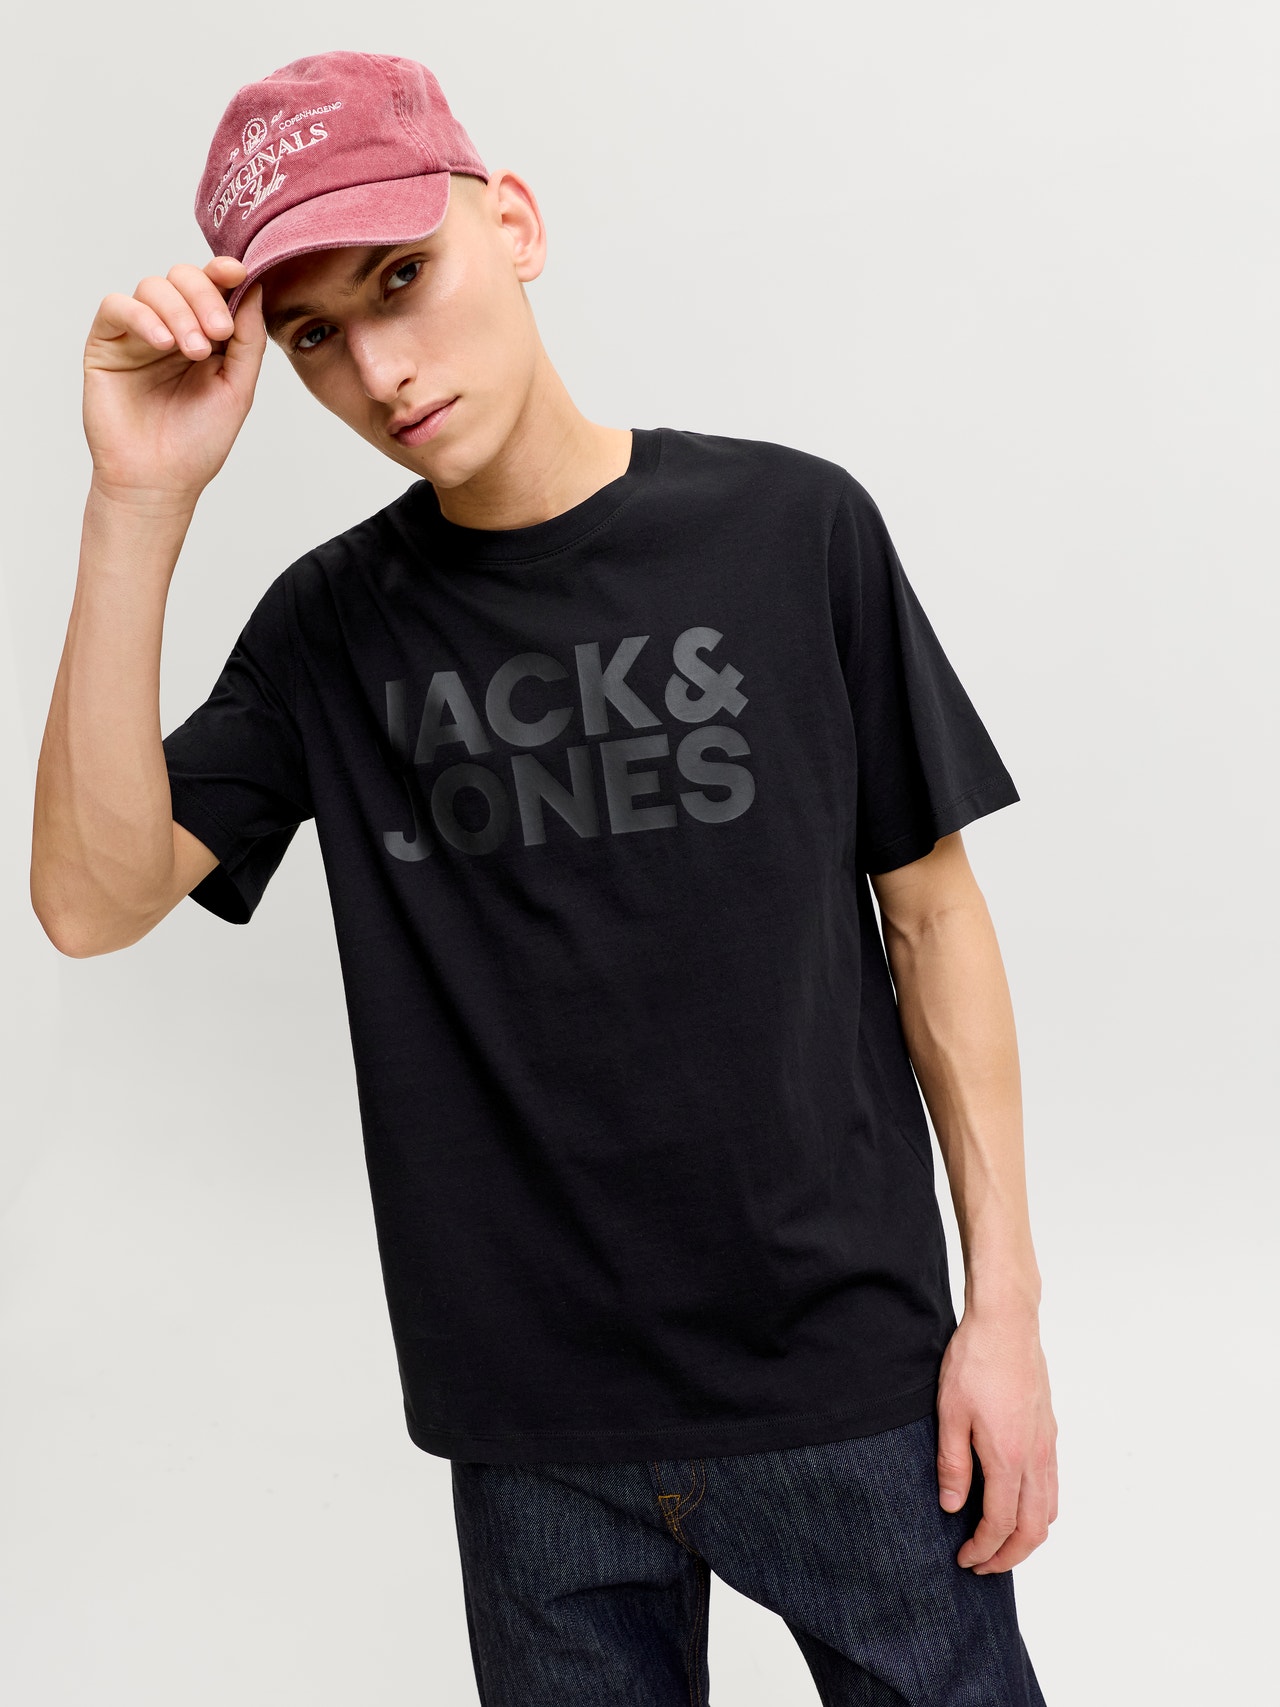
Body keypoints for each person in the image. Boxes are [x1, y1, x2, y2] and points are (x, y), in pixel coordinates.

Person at [31, 48, 1056, 1707]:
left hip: (852, 1385)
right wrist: (135, 499)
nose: (380, 368)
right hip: (535, 1435)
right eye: (313, 335)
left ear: (511, 222)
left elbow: (932, 913)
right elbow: (90, 901)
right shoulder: (327, 630)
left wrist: (1003, 1312)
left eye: (400, 277)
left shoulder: (792, 528)